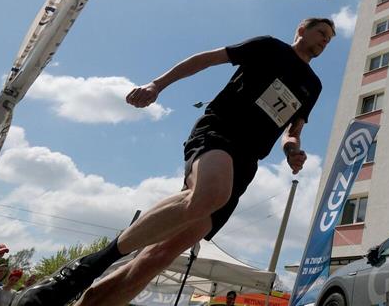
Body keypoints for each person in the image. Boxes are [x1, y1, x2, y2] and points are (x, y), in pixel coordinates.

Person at [17, 18, 336, 306]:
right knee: (210, 194)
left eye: (330, 39)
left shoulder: (315, 85)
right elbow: (206, 60)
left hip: (247, 161)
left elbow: (293, 131)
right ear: (301, 30)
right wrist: (157, 84)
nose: (324, 40)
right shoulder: (269, 47)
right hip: (219, 132)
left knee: (160, 256)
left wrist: (293, 151)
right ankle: (84, 269)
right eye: (321, 33)